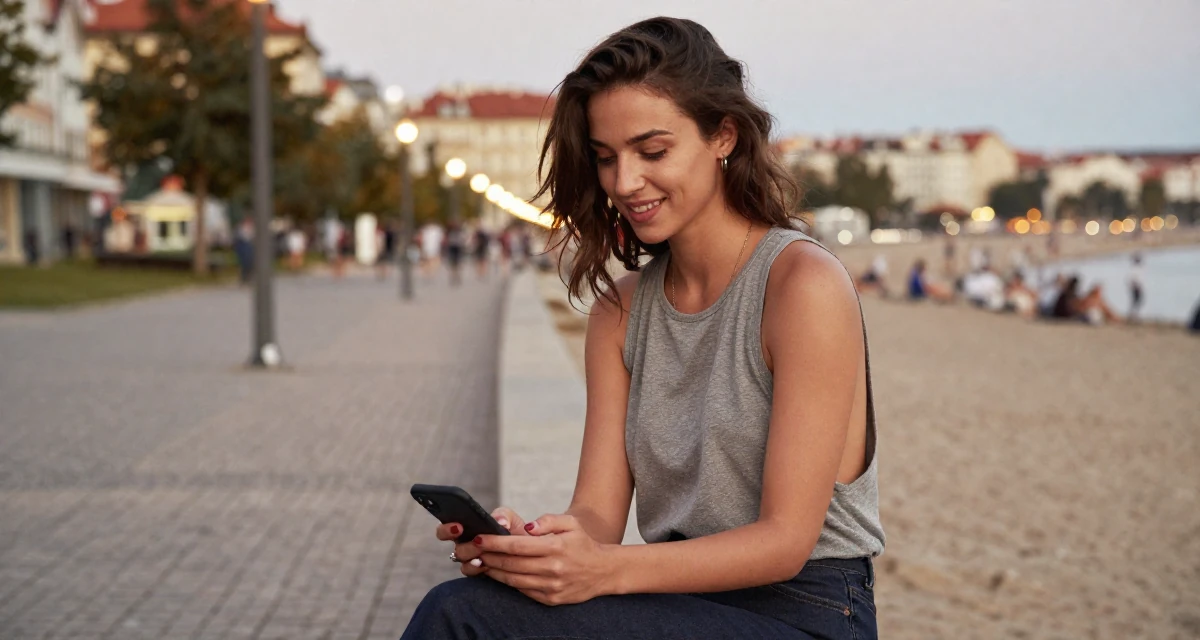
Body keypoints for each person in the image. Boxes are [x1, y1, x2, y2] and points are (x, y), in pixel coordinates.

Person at [402, 17, 882, 640]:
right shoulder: (620, 312)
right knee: (471, 606)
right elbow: (598, 516)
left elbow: (785, 542)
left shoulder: (802, 287)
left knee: (458, 617)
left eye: (652, 152)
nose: (624, 183)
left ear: (724, 136)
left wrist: (602, 571)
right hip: (672, 599)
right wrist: (533, 550)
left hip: (805, 612)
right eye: (607, 158)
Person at [1128, 252, 1144, 322]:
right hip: (1136, 288)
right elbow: (1132, 279)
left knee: (1136, 302)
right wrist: (1136, 287)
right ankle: (1133, 315)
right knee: (1136, 301)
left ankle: (1134, 315)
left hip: (1137, 287)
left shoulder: (1136, 268)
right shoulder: (1135, 269)